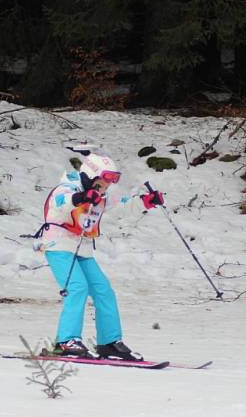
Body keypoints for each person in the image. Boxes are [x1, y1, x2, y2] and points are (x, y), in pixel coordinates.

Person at [36, 148, 164, 361]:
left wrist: (145, 201)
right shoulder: (67, 188)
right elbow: (62, 202)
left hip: (82, 249)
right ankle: (66, 341)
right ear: (90, 175)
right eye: (105, 180)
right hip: (58, 246)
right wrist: (81, 197)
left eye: (112, 181)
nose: (108, 185)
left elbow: (120, 205)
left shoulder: (100, 196)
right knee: (77, 287)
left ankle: (109, 342)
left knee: (104, 290)